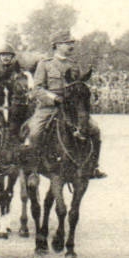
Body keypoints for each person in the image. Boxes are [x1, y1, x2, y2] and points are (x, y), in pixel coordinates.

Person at [24, 32, 105, 178]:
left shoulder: (74, 65)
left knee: (95, 130)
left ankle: (93, 166)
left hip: (71, 108)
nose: (70, 45)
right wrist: (54, 98)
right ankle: (33, 170)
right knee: (35, 133)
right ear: (57, 45)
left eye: (71, 43)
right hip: (49, 108)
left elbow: (79, 84)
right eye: (67, 43)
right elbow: (38, 89)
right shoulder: (45, 64)